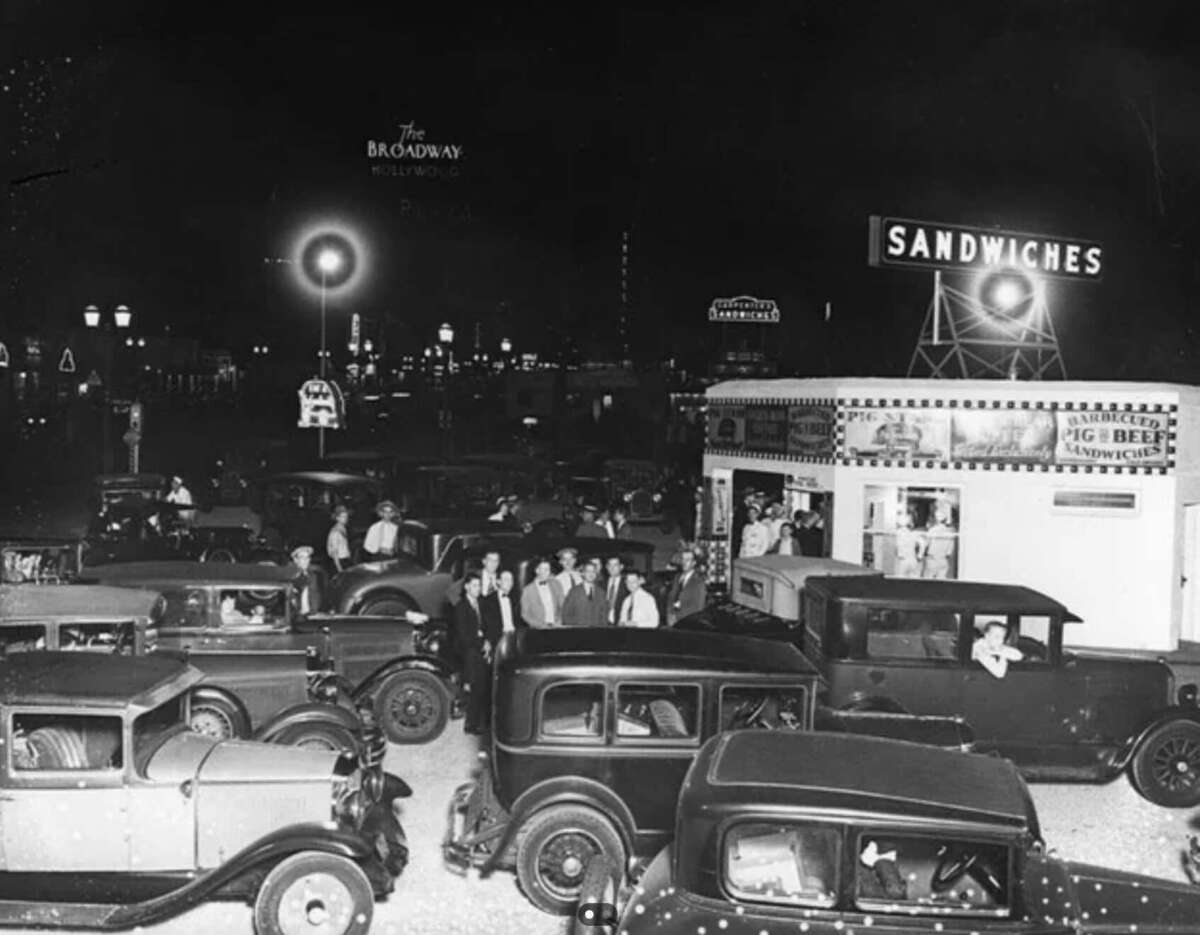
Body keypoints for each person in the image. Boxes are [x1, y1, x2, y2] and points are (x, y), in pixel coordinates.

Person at [453, 573, 489, 735]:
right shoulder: (461, 607)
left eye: (479, 586)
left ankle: (478, 722)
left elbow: (485, 626)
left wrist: (487, 640)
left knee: (481, 688)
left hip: (480, 651)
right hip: (469, 653)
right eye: (474, 585)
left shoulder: (481, 603)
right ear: (466, 587)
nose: (478, 589)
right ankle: (471, 725)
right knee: (474, 688)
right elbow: (464, 635)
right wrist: (482, 643)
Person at [665, 547, 706, 625]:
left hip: (688, 624)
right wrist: (669, 615)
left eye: (687, 560)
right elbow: (671, 598)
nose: (684, 562)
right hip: (672, 622)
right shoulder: (677, 578)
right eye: (683, 559)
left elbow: (698, 608)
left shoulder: (698, 581)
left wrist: (677, 617)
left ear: (694, 563)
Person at [561, 559, 608, 627]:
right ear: (583, 573)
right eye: (588, 571)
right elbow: (566, 615)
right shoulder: (574, 592)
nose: (591, 574)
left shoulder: (601, 592)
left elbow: (604, 615)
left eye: (593, 571)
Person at [520, 557, 564, 628]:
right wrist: (541, 625)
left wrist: (559, 621)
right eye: (545, 569)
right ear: (537, 571)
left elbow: (563, 605)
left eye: (549, 569)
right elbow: (525, 614)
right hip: (539, 629)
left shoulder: (556, 584)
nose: (548, 572)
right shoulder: (528, 590)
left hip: (557, 626)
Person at [481, 568, 520, 645]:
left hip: (515, 637)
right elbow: (488, 626)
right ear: (498, 582)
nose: (510, 583)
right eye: (506, 579)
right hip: (498, 639)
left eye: (511, 579)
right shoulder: (489, 601)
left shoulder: (516, 598)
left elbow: (519, 622)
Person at [922, 500, 957, 578]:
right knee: (941, 583)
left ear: (936, 518)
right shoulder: (950, 532)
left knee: (927, 583)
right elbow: (949, 552)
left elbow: (926, 544)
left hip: (932, 560)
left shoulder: (932, 530)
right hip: (943, 561)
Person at [289, 545, 325, 617]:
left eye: (307, 557)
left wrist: (315, 612)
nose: (306, 560)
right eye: (302, 557)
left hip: (311, 616)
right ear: (295, 560)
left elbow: (316, 596)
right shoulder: (290, 577)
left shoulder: (313, 576)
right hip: (295, 617)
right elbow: (291, 601)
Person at [893, 509, 926, 578]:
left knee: (899, 582)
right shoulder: (913, 533)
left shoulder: (897, 533)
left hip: (902, 561)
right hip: (913, 560)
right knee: (914, 582)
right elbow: (923, 543)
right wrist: (920, 556)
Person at [602, 554, 629, 625]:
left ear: (621, 567)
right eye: (610, 565)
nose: (612, 568)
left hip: (621, 624)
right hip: (603, 623)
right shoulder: (601, 585)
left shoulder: (627, 585)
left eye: (615, 565)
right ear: (606, 567)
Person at [325, 505, 352, 573]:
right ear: (337, 518)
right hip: (339, 562)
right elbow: (334, 552)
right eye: (343, 517)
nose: (345, 518)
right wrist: (339, 568)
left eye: (346, 516)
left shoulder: (343, 528)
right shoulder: (335, 532)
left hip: (345, 560)